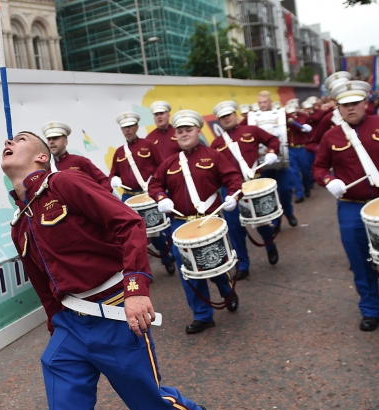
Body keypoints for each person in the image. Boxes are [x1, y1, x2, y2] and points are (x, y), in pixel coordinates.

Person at [2, 130, 220, 410]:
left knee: (149, 405)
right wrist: (56, 323)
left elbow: (128, 223)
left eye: (21, 138)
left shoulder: (63, 183)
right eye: (8, 139)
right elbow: (43, 284)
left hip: (116, 313)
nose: (9, 141)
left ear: (42, 158)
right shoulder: (19, 222)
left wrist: (138, 286)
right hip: (69, 328)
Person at [312, 81, 379, 332]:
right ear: (337, 108)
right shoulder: (331, 136)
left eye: (354, 104)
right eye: (344, 105)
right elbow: (318, 167)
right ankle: (370, 308)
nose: (350, 109)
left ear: (365, 104)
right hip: (352, 206)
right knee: (360, 261)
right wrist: (329, 180)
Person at [148, 110, 244, 334]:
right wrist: (161, 198)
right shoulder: (169, 162)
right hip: (181, 224)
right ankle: (202, 315)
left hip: (209, 221)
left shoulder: (213, 156)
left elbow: (233, 179)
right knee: (188, 270)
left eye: (188, 130)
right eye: (179, 131)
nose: (183, 134)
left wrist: (233, 196)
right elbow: (155, 185)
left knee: (214, 264)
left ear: (198, 131)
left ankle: (226, 290)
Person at [211, 100, 283, 276]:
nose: (226, 119)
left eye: (229, 115)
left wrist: (272, 152)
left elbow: (273, 140)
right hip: (231, 190)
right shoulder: (217, 143)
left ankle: (269, 244)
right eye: (222, 117)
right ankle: (243, 265)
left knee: (261, 222)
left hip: (253, 183)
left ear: (235, 115)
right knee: (235, 228)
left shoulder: (251, 130)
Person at [109, 111, 176, 274]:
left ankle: (167, 256)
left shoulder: (148, 145)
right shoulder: (119, 152)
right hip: (128, 197)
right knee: (135, 235)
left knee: (157, 230)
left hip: (148, 195)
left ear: (137, 126)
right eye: (124, 128)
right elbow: (113, 173)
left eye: (130, 126)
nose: (127, 130)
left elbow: (161, 167)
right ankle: (145, 271)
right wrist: (113, 179)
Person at [248, 90, 300, 227]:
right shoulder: (251, 117)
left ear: (270, 102)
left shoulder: (280, 113)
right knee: (268, 195)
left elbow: (291, 121)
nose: (262, 105)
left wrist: (300, 126)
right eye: (260, 102)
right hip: (262, 164)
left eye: (265, 102)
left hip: (280, 161)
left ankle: (288, 213)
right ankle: (276, 220)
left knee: (285, 190)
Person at [42, 121, 111, 190]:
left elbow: (105, 181)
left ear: (65, 142)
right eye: (48, 139)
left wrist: (97, 199)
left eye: (55, 138)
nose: (51, 142)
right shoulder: (47, 169)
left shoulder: (80, 161)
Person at [286, 99, 315, 201]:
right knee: (294, 173)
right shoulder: (286, 120)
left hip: (302, 148)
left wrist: (292, 120)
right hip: (291, 149)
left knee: (306, 171)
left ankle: (307, 187)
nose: (292, 115)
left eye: (294, 113)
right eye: (290, 114)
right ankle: (299, 194)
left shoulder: (302, 116)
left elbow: (299, 126)